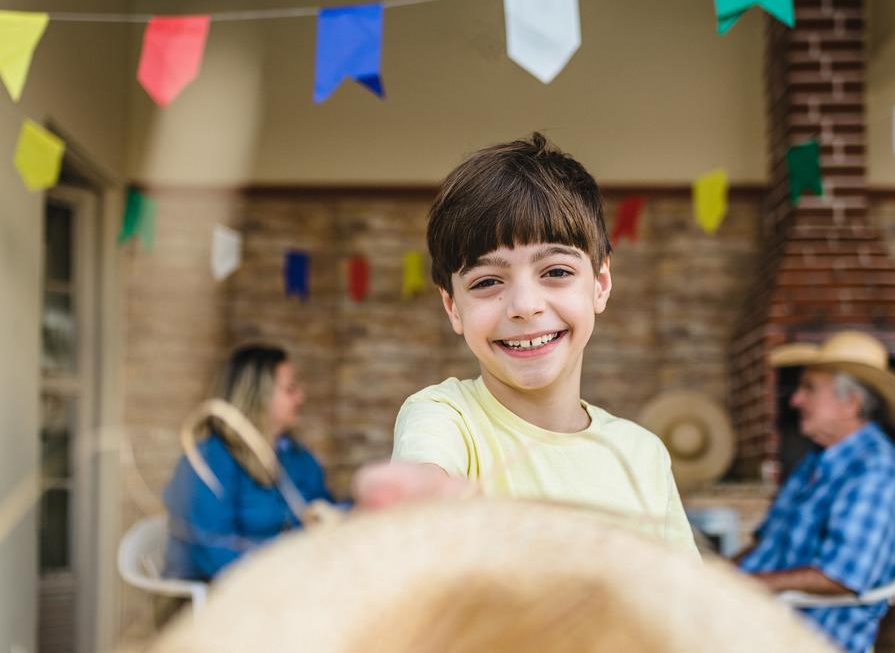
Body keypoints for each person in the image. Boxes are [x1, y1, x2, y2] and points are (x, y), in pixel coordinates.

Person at [353, 133, 697, 553]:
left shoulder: (643, 455)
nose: (525, 306)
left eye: (555, 272)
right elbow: (428, 474)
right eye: (487, 282)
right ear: (452, 307)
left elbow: (684, 607)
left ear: (601, 284)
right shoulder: (445, 416)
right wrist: (420, 498)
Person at [737, 330, 895, 653]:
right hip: (752, 615)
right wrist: (716, 573)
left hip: (803, 636)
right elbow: (765, 542)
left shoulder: (877, 472)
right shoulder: (817, 459)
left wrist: (744, 586)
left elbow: (841, 575)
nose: (795, 400)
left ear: (850, 403)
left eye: (809, 389)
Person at [163, 344, 335, 581]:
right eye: (290, 389)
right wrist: (288, 562)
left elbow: (326, 512)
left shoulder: (297, 457)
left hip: (288, 586)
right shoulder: (207, 461)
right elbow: (211, 553)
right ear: (259, 396)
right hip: (227, 597)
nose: (300, 398)